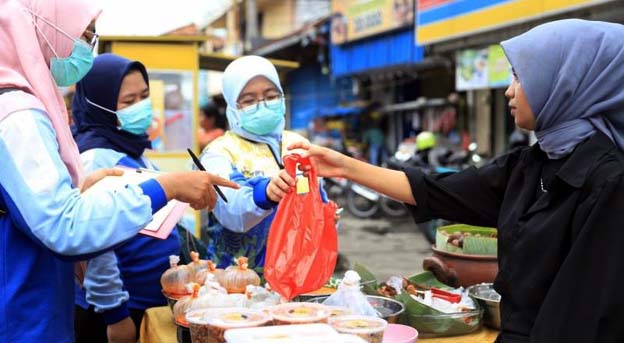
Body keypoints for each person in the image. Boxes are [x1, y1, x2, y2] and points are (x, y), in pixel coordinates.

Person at [290, 19, 624, 342]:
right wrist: (344, 167)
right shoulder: (532, 164)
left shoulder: (609, 182)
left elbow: (584, 317)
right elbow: (438, 192)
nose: (509, 91)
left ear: (567, 83)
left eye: (521, 78)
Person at [0, 1, 237, 342]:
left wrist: (81, 191)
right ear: (41, 29)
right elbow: (64, 227)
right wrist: (165, 187)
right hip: (22, 319)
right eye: (81, 35)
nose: (86, 48)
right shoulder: (18, 116)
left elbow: (29, 209)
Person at [70, 53, 183, 343]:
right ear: (101, 106)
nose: (141, 107)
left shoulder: (131, 149)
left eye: (144, 96)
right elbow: (97, 245)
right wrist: (116, 316)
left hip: (146, 306)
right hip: (117, 314)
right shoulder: (95, 159)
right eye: (128, 101)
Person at [199, 55, 326, 275]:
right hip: (236, 282)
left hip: (296, 275)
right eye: (248, 100)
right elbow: (232, 213)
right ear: (232, 106)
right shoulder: (218, 153)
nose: (263, 105)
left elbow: (314, 195)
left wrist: (324, 213)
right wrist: (266, 193)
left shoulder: (297, 145)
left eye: (271, 96)